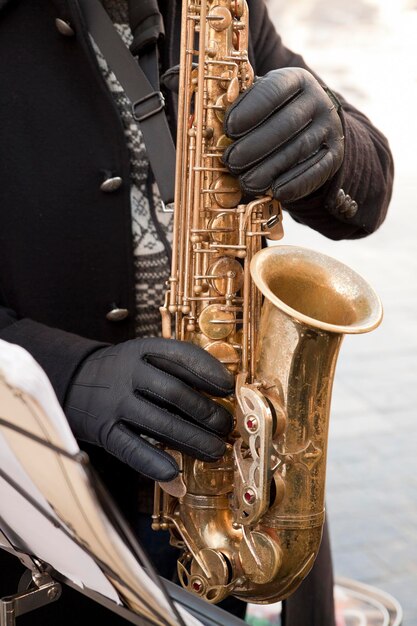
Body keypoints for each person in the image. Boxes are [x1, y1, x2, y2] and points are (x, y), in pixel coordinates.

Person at [0, 0, 393, 625]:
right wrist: (69, 376)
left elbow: (370, 196)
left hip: (248, 498)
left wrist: (332, 138)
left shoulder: (213, 8)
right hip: (56, 534)